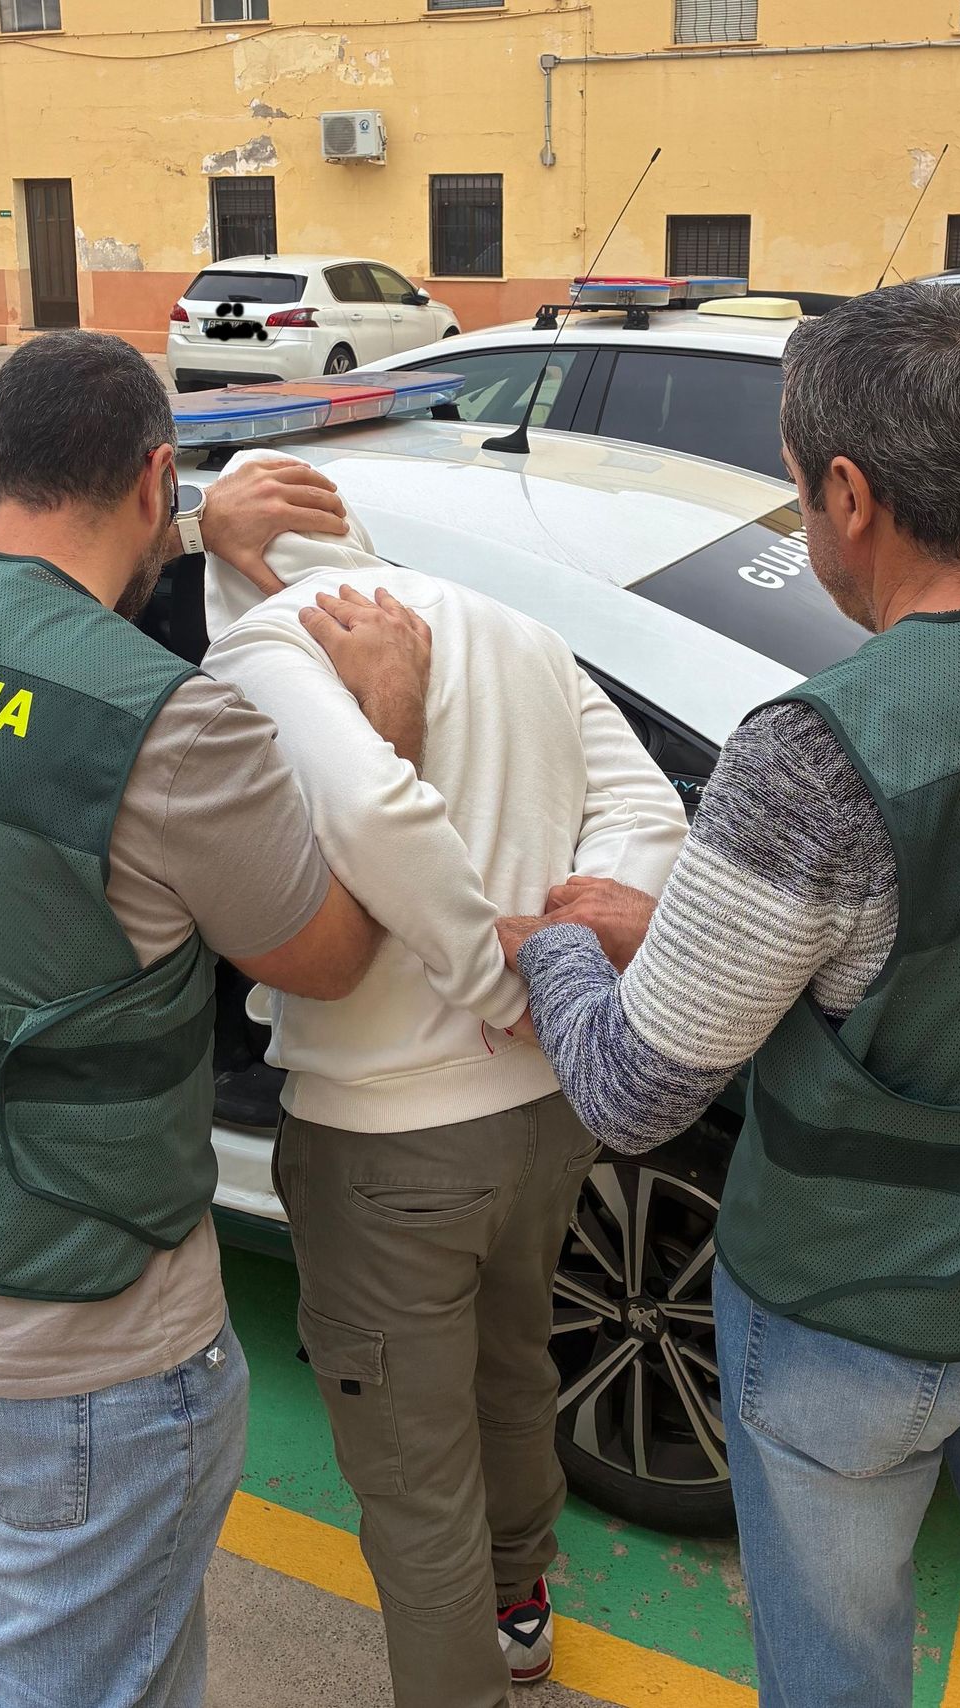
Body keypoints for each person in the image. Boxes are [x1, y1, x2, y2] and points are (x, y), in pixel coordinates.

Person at [496, 284, 960, 1708]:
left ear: (847, 493)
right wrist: (700, 932)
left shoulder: (820, 753)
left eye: (797, 487)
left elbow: (633, 1093)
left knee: (837, 1678)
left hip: (857, 1326)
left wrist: (553, 947)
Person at [0, 330, 428, 1708]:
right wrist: (387, 728)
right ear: (150, 479)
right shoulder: (170, 731)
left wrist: (178, 526)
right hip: (65, 1341)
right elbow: (324, 959)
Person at [200, 452, 690, 1707]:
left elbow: (369, 814)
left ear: (233, 561)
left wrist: (492, 973)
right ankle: (521, 1606)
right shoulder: (515, 628)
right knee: (514, 1372)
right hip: (544, 1111)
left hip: (387, 1143)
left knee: (413, 1476)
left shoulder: (261, 645)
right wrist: (562, 954)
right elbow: (649, 815)